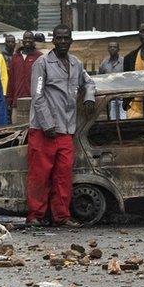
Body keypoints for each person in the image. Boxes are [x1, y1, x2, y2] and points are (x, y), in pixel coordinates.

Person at [26, 26, 96, 227]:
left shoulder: (76, 64)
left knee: (63, 176)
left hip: (66, 130)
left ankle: (61, 216)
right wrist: (47, 123)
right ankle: (36, 216)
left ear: (71, 40)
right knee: (40, 175)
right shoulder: (42, 64)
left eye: (66, 38)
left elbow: (89, 82)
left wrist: (89, 98)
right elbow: (37, 95)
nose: (63, 41)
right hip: (43, 130)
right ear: (53, 40)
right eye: (59, 38)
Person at [6, 31, 41, 110]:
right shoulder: (15, 57)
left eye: (30, 38)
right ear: (23, 40)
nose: (28, 40)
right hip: (17, 101)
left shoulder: (39, 57)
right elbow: (11, 79)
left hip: (34, 102)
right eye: (26, 38)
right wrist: (9, 99)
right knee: (16, 122)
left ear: (33, 41)